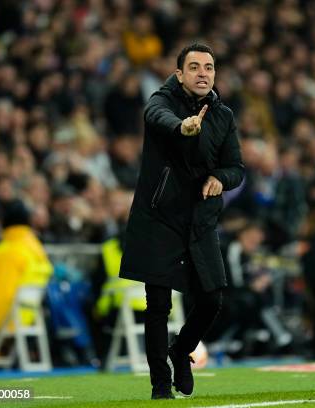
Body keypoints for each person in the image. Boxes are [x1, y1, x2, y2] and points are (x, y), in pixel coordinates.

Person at [119, 43, 244, 400]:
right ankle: (160, 385)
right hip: (159, 216)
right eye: (194, 67)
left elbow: (236, 167)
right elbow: (156, 117)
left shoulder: (224, 116)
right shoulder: (161, 101)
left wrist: (221, 178)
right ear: (179, 74)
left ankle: (181, 349)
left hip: (199, 219)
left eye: (208, 67)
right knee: (158, 305)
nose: (203, 73)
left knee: (212, 299)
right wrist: (183, 127)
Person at [0, 200, 53, 357]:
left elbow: (2, 297)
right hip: (28, 315)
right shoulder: (35, 247)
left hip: (6, 318)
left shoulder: (5, 252)